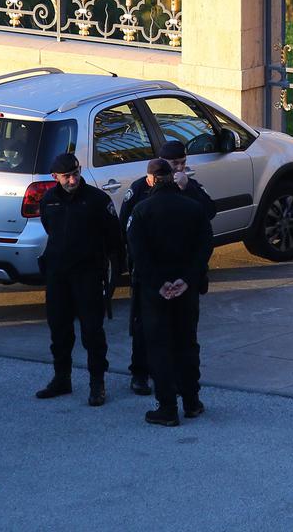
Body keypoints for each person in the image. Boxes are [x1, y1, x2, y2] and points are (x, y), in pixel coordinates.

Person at [120, 141, 216, 396]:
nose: (180, 169)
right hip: (150, 276)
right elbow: (127, 227)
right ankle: (140, 373)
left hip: (184, 274)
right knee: (144, 327)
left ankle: (178, 381)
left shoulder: (189, 186)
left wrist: (188, 190)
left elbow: (209, 215)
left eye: (184, 163)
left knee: (184, 331)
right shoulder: (141, 188)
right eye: (175, 165)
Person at [35, 151, 121, 406]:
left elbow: (114, 239)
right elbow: (49, 228)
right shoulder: (49, 200)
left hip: (88, 274)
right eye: (66, 176)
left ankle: (97, 384)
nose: (72, 180)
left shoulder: (97, 200)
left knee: (92, 331)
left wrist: (112, 272)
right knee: (59, 329)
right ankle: (62, 378)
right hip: (58, 274)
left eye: (75, 174)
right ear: (55, 177)